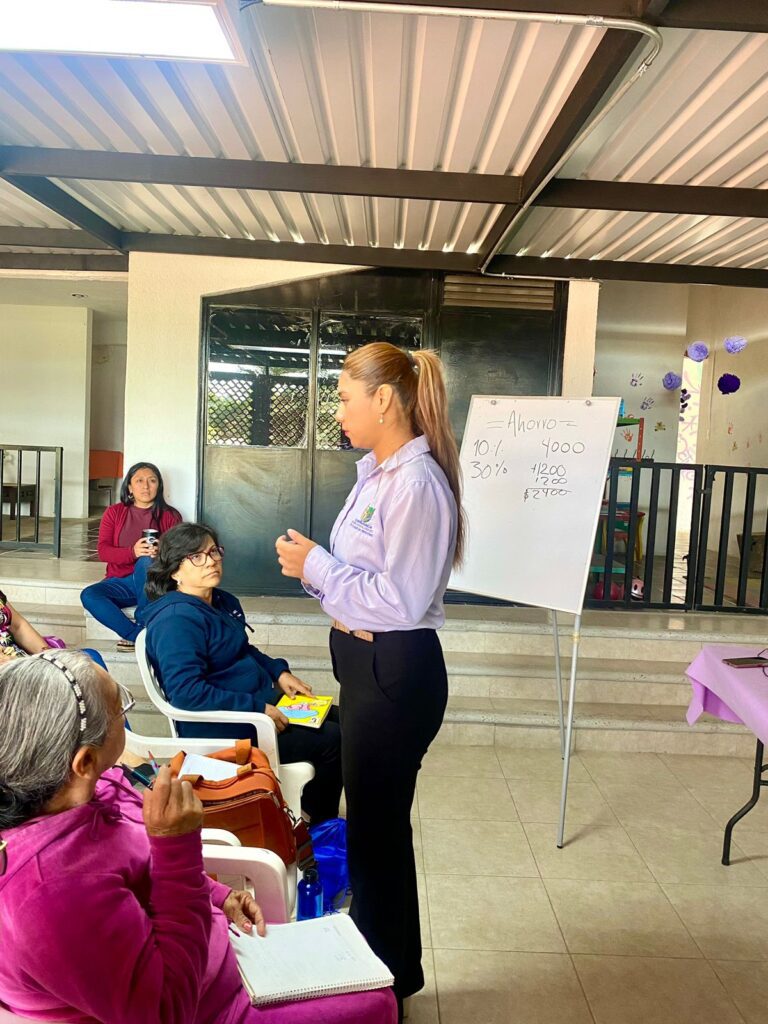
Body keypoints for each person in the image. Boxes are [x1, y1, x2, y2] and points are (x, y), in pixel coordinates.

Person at [0, 652, 396, 1024]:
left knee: (364, 974)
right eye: (120, 710)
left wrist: (216, 895)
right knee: (377, 1003)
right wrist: (176, 847)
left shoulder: (87, 791)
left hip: (212, 954)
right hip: (200, 1004)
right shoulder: (50, 894)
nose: (125, 716)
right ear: (84, 761)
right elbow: (167, 1012)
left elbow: (144, 869)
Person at [275, 342, 464, 1016]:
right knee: (375, 832)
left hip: (394, 673)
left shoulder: (415, 484)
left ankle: (381, 985)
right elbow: (362, 581)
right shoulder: (378, 476)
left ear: (383, 399)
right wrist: (318, 572)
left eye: (344, 397)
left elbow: (401, 601)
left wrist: (319, 567)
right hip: (368, 668)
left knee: (376, 835)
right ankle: (389, 972)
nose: (337, 411)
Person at [143, 522, 342, 826]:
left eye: (213, 552)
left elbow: (242, 649)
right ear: (174, 571)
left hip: (256, 704)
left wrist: (278, 672)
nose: (210, 561)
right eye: (196, 556)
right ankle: (319, 826)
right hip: (225, 725)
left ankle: (311, 811)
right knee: (334, 740)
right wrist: (257, 709)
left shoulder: (220, 602)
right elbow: (186, 693)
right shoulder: (175, 621)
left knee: (344, 719)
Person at [81, 462, 181, 651]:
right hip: (122, 583)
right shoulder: (114, 512)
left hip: (153, 584)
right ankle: (137, 635)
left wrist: (161, 553)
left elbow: (178, 556)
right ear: (129, 487)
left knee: (146, 561)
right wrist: (132, 552)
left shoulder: (170, 516)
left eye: (152, 481)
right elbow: (103, 551)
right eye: (139, 481)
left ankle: (143, 621)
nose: (146, 486)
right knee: (89, 595)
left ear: (159, 486)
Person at [0, 587, 107, 670]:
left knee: (91, 658)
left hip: (23, 659)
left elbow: (18, 626)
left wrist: (49, 654)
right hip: (11, 670)